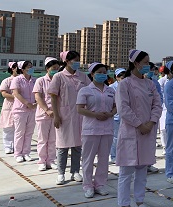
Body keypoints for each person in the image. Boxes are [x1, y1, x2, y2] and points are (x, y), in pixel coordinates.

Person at [115, 50, 162, 207]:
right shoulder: (125, 84)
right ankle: (124, 204)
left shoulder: (150, 84)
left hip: (147, 132)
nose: (148, 65)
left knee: (142, 170)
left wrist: (151, 122)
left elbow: (157, 104)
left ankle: (140, 201)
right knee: (126, 171)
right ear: (136, 64)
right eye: (145, 62)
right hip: (131, 131)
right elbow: (123, 109)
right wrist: (139, 124)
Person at [48, 51, 90, 185]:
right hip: (64, 115)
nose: (77, 62)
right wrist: (56, 115)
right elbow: (53, 97)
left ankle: (75, 171)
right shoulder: (59, 76)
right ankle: (61, 173)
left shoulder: (83, 76)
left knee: (78, 145)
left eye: (78, 60)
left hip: (80, 115)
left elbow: (90, 91)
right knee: (62, 146)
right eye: (74, 60)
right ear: (66, 61)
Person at [77, 62, 117, 198]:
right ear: (92, 74)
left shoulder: (111, 90)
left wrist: (111, 113)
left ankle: (100, 184)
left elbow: (116, 106)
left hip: (107, 128)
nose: (102, 75)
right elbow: (80, 109)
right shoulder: (85, 90)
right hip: (91, 129)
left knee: (104, 158)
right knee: (88, 159)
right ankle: (88, 185)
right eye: (99, 72)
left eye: (104, 72)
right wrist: (95, 115)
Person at [33, 58, 60, 170]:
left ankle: (51, 160)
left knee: (53, 139)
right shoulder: (40, 81)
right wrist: (47, 110)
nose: (55, 70)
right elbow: (38, 97)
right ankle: (42, 161)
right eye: (53, 68)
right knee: (43, 139)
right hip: (43, 115)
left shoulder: (59, 80)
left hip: (56, 114)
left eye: (57, 68)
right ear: (47, 68)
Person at [11, 61, 37, 162]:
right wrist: (27, 103)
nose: (31, 68)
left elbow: (38, 93)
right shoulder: (17, 79)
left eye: (31, 66)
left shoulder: (34, 80)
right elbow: (16, 93)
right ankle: (18, 153)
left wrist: (35, 103)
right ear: (22, 69)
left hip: (32, 109)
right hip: (20, 110)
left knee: (29, 132)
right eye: (28, 67)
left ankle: (26, 153)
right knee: (20, 132)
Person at [0, 62, 18, 154]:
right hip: (9, 106)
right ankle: (8, 146)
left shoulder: (23, 80)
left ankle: (17, 146)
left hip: (21, 107)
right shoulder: (7, 81)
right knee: (8, 127)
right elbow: (4, 93)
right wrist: (17, 97)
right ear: (13, 69)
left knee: (19, 127)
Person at [109, 68, 126, 164]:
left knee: (125, 137)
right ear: (117, 77)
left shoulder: (128, 86)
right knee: (115, 137)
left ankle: (123, 155)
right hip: (116, 116)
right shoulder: (111, 88)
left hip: (126, 116)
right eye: (122, 77)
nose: (123, 79)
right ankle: (114, 155)